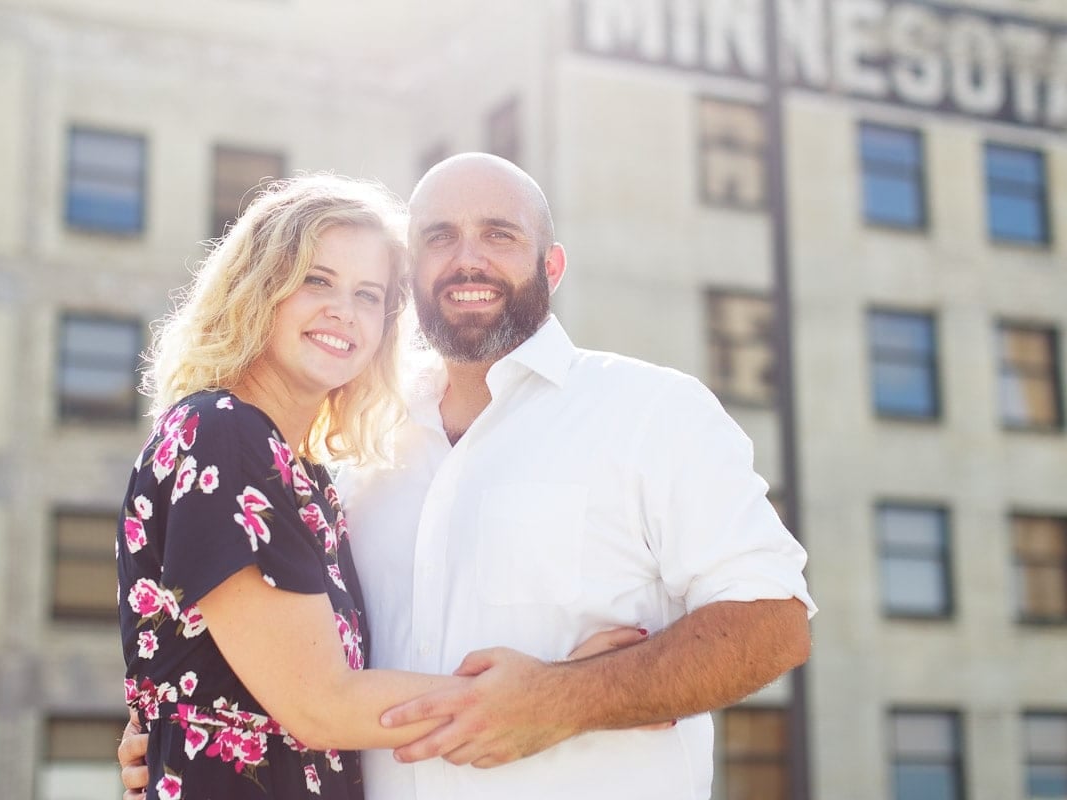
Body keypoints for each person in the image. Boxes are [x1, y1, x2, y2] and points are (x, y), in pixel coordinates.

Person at [122, 155, 815, 800]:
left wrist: (572, 697)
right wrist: (170, 730)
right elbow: (305, 691)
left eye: (500, 235)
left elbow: (775, 624)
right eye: (440, 237)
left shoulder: (651, 411)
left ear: (553, 264)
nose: (468, 259)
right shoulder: (351, 458)